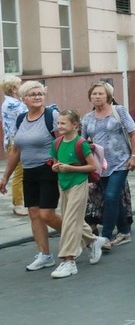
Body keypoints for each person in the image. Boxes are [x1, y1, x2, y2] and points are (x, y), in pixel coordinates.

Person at [0, 81, 63, 271]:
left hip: (48, 169)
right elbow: (16, 150)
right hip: (29, 171)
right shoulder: (21, 119)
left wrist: (65, 166)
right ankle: (45, 255)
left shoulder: (51, 115)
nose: (37, 97)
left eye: (40, 93)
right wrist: (5, 177)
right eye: (33, 94)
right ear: (24, 98)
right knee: (34, 214)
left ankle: (85, 238)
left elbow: (62, 141)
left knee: (47, 214)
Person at [49, 110, 108, 278]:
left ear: (75, 125)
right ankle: (94, 240)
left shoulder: (81, 143)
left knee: (70, 221)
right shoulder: (57, 143)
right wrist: (56, 167)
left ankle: (69, 260)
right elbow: (55, 162)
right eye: (58, 123)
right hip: (63, 184)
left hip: (78, 183)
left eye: (63, 123)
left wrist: (71, 168)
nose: (59, 126)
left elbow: (92, 166)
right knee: (71, 217)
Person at [81, 81, 135, 247]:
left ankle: (105, 237)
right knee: (113, 198)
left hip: (121, 161)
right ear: (90, 97)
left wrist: (134, 156)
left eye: (101, 93)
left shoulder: (118, 111)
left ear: (108, 96)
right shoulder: (87, 118)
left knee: (111, 196)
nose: (97, 96)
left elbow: (134, 133)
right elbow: (83, 142)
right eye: (94, 94)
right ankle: (124, 231)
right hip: (101, 165)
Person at [1, 74, 28, 216]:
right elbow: (30, 113)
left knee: (21, 173)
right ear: (13, 89)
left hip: (14, 141)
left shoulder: (11, 102)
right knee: (19, 174)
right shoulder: (13, 104)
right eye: (20, 85)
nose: (21, 87)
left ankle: (20, 202)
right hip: (16, 143)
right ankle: (17, 204)